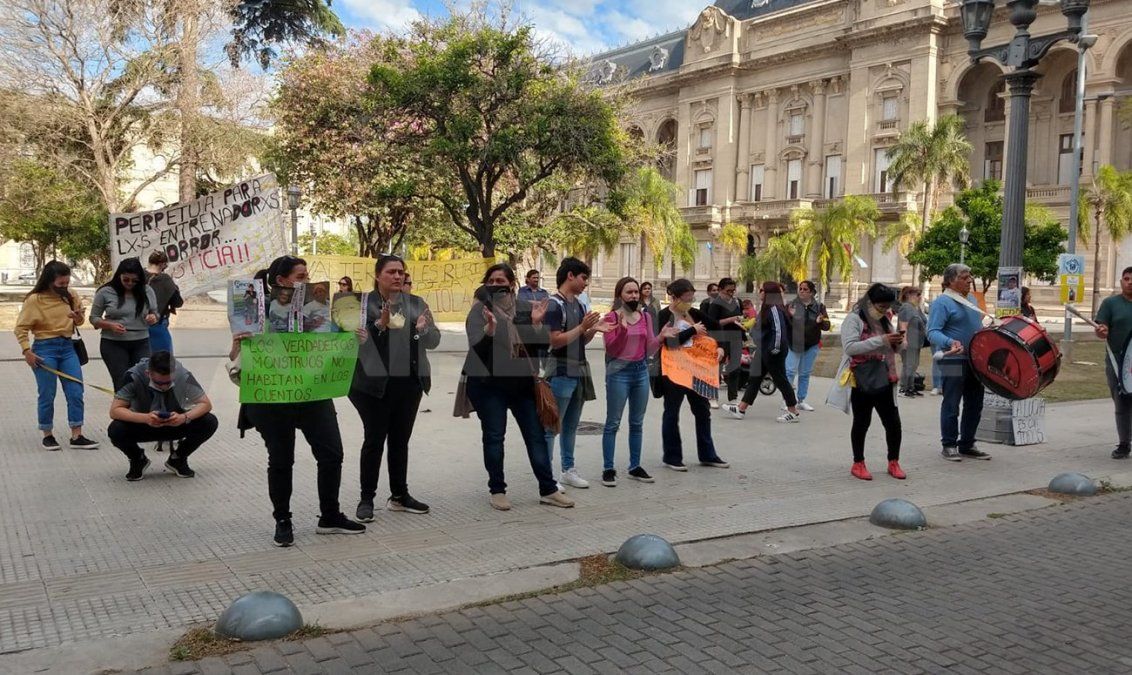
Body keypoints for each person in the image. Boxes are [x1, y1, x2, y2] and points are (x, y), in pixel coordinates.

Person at [238, 255, 365, 547]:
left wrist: (354, 338)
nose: (306, 281)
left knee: (332, 454)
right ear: (281, 282)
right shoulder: (257, 313)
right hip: (273, 397)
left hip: (313, 394)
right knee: (281, 461)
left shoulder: (318, 311)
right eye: (300, 277)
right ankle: (283, 520)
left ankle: (329, 516)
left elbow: (338, 344)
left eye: (307, 277)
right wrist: (239, 344)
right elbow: (239, 358)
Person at [458, 263, 573, 510]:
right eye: (492, 280)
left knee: (535, 436)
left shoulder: (523, 308)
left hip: (521, 385)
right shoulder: (479, 311)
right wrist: (489, 332)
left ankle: (548, 489)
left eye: (502, 280)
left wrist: (535, 326)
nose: (496, 284)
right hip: (488, 386)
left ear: (512, 284)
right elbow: (476, 351)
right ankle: (497, 490)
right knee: (494, 437)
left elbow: (541, 347)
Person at [349, 255, 439, 521]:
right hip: (372, 386)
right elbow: (352, 342)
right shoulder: (360, 304)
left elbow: (434, 340)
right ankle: (367, 499)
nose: (398, 276)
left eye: (401, 272)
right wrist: (379, 324)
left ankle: (400, 495)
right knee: (374, 440)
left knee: (400, 441)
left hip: (409, 383)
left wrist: (422, 330)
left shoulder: (416, 304)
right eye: (391, 272)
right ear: (378, 275)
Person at [600, 277, 679, 487]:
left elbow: (650, 349)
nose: (634, 296)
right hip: (618, 372)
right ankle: (608, 468)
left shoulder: (645, 317)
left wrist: (661, 337)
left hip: (640, 372)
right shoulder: (611, 317)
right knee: (613, 423)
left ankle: (634, 466)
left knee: (637, 423)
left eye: (636, 292)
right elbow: (612, 350)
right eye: (629, 292)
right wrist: (623, 332)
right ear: (620, 295)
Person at [15, 261, 99, 451]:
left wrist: (77, 317)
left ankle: (77, 434)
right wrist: (27, 351)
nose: (64, 287)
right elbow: (21, 328)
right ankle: (48, 434)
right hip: (44, 349)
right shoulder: (35, 299)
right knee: (47, 393)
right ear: (48, 281)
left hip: (68, 347)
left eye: (67, 283)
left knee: (76, 391)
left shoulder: (71, 295)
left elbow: (80, 319)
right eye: (60, 284)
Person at [543, 257, 609, 489]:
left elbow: (581, 339)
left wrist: (592, 330)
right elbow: (554, 340)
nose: (586, 284)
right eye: (583, 278)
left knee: (571, 425)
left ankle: (568, 469)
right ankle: (547, 476)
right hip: (560, 369)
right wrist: (582, 327)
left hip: (579, 369)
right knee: (552, 426)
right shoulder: (553, 305)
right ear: (570, 276)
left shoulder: (580, 305)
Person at [107, 351, 218, 481]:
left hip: (176, 423)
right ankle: (137, 459)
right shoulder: (133, 376)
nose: (164, 387)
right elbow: (115, 411)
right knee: (115, 429)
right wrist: (146, 418)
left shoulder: (183, 374)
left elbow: (205, 404)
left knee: (209, 421)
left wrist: (184, 417)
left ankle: (178, 458)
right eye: (159, 383)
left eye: (169, 382)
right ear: (148, 374)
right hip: (144, 424)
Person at [656, 278, 729, 471]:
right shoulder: (664, 316)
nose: (690, 301)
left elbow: (717, 327)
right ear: (674, 297)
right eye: (686, 298)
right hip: (673, 371)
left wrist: (721, 347)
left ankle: (708, 454)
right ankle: (672, 456)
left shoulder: (694, 313)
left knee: (702, 411)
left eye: (691, 297)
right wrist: (692, 330)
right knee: (672, 413)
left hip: (696, 370)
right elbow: (669, 343)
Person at [835, 284, 906, 481]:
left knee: (893, 423)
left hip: (886, 377)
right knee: (862, 422)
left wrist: (899, 342)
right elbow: (850, 348)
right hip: (862, 378)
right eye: (880, 306)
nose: (884, 310)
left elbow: (895, 349)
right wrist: (881, 340)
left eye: (887, 307)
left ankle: (894, 461)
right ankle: (858, 463)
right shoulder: (854, 319)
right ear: (869, 303)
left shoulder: (885, 320)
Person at [926, 263, 991, 462]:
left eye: (970, 276)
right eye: (964, 277)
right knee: (952, 403)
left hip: (974, 360)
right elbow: (932, 332)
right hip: (953, 359)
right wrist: (949, 342)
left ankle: (967, 443)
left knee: (975, 403)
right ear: (951, 280)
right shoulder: (942, 302)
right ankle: (949, 444)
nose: (970, 280)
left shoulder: (971, 299)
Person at [723, 282, 801, 423]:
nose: (760, 292)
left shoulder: (774, 309)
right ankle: (741, 408)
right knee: (754, 377)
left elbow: (778, 331)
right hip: (765, 349)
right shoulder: (767, 309)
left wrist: (774, 349)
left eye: (762, 290)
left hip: (773, 350)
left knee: (780, 379)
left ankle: (793, 411)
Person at [90, 257, 158, 391]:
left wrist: (153, 317)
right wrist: (110, 325)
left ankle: (139, 410)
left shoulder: (147, 291)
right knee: (122, 383)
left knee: (143, 380)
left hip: (141, 342)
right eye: (125, 279)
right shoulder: (105, 292)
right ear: (118, 276)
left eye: (134, 281)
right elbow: (93, 318)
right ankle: (121, 411)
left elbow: (155, 312)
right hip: (113, 343)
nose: (130, 283)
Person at [1095, 267, 1132, 459]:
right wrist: (1102, 331)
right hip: (1117, 361)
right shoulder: (1110, 303)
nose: (1130, 282)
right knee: (1121, 402)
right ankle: (1124, 443)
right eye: (1126, 279)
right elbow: (1101, 327)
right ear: (1121, 282)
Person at [785, 280, 831, 411]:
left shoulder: (819, 307)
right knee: (790, 372)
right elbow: (788, 326)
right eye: (800, 288)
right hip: (794, 344)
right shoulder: (791, 306)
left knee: (805, 373)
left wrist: (821, 322)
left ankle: (801, 400)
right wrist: (791, 316)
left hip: (811, 344)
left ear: (811, 292)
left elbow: (827, 326)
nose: (802, 291)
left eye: (805, 289)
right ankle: (788, 400)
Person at [705, 278, 747, 406]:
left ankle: (733, 396)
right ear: (721, 289)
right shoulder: (715, 304)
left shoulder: (737, 301)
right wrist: (731, 319)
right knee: (717, 366)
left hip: (736, 337)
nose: (731, 293)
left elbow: (740, 318)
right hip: (720, 338)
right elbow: (712, 323)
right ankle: (712, 396)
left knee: (735, 367)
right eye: (728, 290)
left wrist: (743, 323)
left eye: (733, 290)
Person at [145, 251, 183, 355]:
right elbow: (177, 302)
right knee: (164, 361)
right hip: (158, 323)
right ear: (162, 264)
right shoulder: (165, 279)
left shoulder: (137, 276)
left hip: (137, 325)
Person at [897, 286, 928, 398]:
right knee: (908, 365)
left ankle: (911, 387)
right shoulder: (906, 307)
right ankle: (903, 388)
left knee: (914, 364)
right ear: (908, 295)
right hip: (909, 341)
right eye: (917, 294)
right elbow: (903, 324)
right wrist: (904, 339)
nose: (919, 297)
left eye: (920, 294)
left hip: (916, 341)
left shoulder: (916, 308)